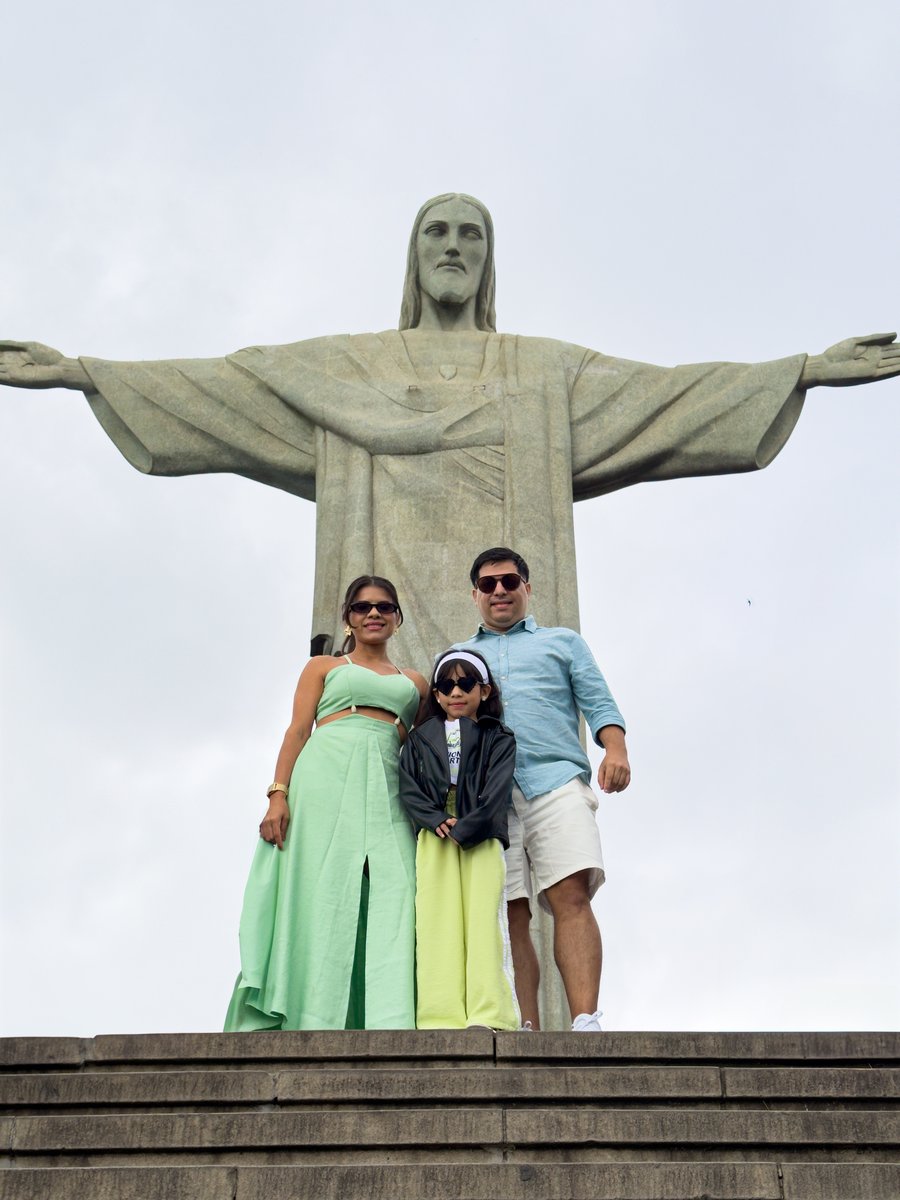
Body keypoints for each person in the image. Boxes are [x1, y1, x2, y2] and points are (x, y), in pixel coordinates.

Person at [1, 193, 897, 675]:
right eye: (437, 231)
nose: (454, 247)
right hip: (377, 645)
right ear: (414, 254)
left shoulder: (542, 372)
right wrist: (85, 371)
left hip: (503, 652)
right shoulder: (346, 370)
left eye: (471, 234)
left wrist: (803, 369)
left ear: (488, 258)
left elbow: (664, 398)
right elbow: (227, 389)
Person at [224, 575, 428, 1031]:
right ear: (348, 619)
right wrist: (278, 794)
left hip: (388, 779)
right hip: (325, 772)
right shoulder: (323, 666)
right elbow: (298, 729)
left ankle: (385, 1018)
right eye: (362, 607)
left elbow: (433, 747)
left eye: (383, 607)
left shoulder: (416, 683)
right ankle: (309, 1010)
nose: (373, 614)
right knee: (321, 886)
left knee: (393, 889)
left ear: (397, 618)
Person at [456, 547, 630, 1033]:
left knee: (571, 896)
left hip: (556, 781)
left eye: (509, 582)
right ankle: (524, 1027)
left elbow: (598, 702)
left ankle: (585, 1020)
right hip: (489, 798)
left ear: (526, 589)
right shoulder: (458, 657)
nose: (499, 591)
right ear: (475, 595)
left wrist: (614, 750)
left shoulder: (564, 643)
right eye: (488, 584)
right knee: (510, 912)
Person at [399, 649, 519, 1031]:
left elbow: (498, 788)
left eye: (465, 683)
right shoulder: (420, 738)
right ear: (435, 695)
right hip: (435, 836)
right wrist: (433, 819)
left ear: (483, 691)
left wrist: (468, 826)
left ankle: (489, 1013)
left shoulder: (497, 736)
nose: (456, 691)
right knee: (437, 920)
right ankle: (439, 1015)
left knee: (483, 920)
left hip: (481, 836)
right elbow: (408, 785)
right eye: (446, 685)